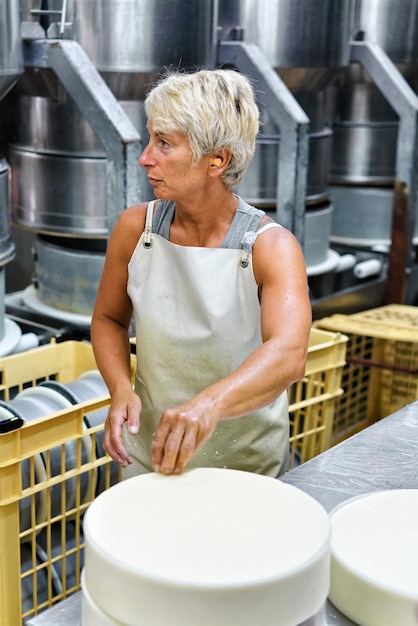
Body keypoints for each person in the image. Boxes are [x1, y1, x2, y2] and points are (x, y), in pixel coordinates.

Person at [90, 68, 312, 479]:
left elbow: (289, 356)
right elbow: (108, 319)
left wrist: (209, 405)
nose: (145, 157)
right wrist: (121, 387)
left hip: (245, 463)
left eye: (165, 144)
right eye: (150, 138)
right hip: (151, 456)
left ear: (217, 160)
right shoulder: (134, 230)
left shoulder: (270, 247)